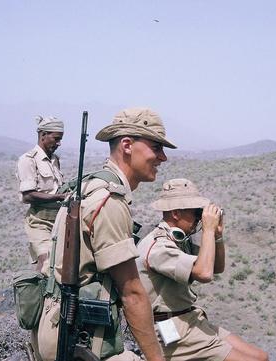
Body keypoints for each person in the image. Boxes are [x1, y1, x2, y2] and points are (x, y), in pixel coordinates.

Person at [34, 107, 176, 361]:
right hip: (76, 341)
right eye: (156, 147)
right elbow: (132, 294)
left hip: (55, 328)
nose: (162, 157)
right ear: (127, 145)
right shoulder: (108, 201)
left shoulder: (88, 186)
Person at [136, 178, 269, 361]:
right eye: (196, 213)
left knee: (261, 357)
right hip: (173, 329)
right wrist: (207, 230)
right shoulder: (158, 247)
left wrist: (217, 236)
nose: (199, 218)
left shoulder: (179, 240)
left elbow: (216, 268)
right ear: (176, 213)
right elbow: (204, 274)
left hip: (190, 319)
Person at [16, 115, 67, 267]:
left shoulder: (54, 160)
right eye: (56, 138)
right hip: (39, 222)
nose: (59, 143)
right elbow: (28, 195)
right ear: (43, 135)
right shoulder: (28, 160)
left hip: (59, 220)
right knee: (46, 261)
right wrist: (59, 197)